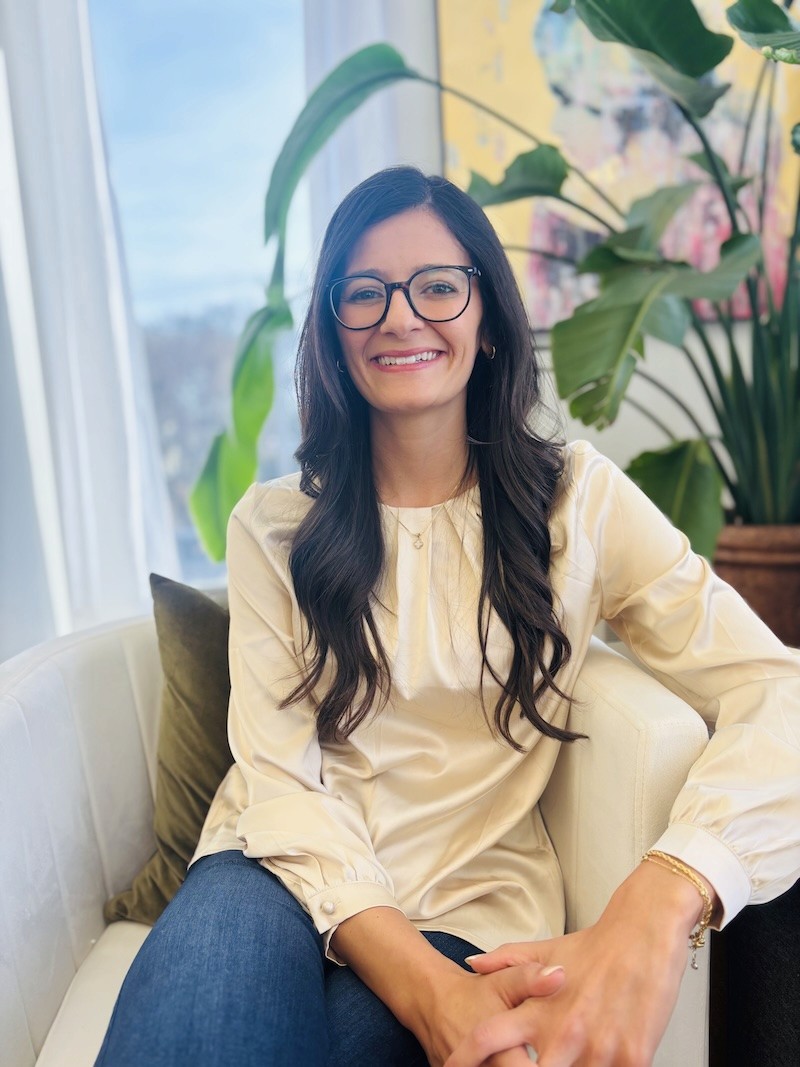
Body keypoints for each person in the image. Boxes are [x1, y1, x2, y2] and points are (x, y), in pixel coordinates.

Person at [96, 166, 800, 1067]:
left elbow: (776, 689)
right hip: (266, 874)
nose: (400, 316)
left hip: (467, 906)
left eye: (437, 286)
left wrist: (667, 893)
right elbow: (282, 787)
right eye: (365, 292)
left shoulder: (578, 504)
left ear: (489, 320)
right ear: (333, 331)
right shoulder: (274, 527)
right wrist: (432, 997)